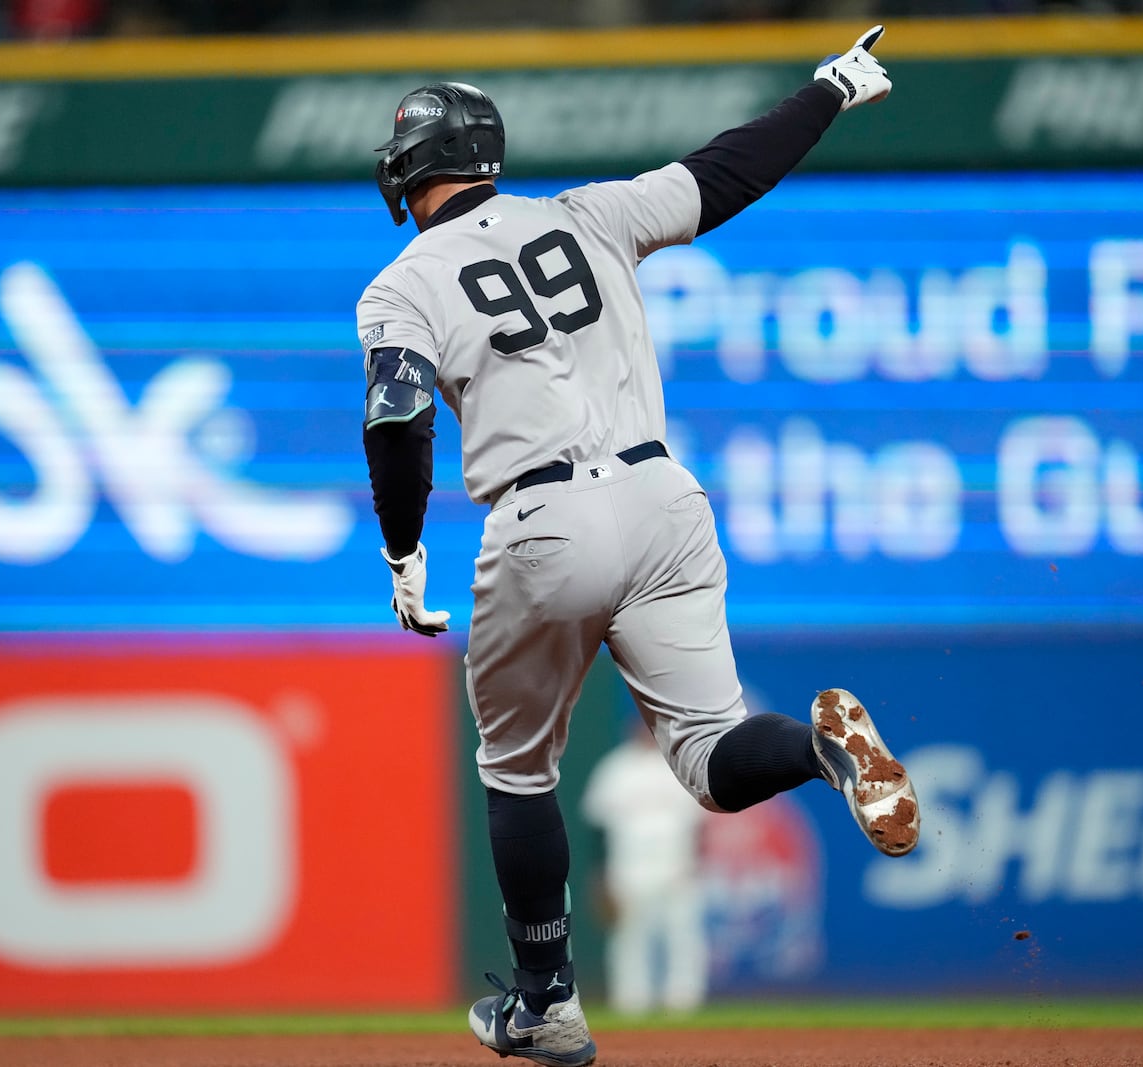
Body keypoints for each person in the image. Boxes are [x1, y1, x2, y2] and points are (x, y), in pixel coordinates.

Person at [357, 26, 918, 1066]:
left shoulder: (400, 285)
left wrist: (402, 551)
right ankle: (820, 747)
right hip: (665, 494)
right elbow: (724, 173)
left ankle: (548, 1003)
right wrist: (829, 90)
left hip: (541, 515)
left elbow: (397, 414)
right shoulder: (588, 213)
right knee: (709, 757)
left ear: (406, 172)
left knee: (518, 767)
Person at [581, 722, 711, 1016]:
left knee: (683, 935)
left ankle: (684, 1001)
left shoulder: (680, 767)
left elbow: (701, 824)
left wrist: (699, 863)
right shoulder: (616, 768)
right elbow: (598, 827)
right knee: (629, 938)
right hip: (628, 868)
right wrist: (601, 875)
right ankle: (631, 1001)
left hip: (679, 866)